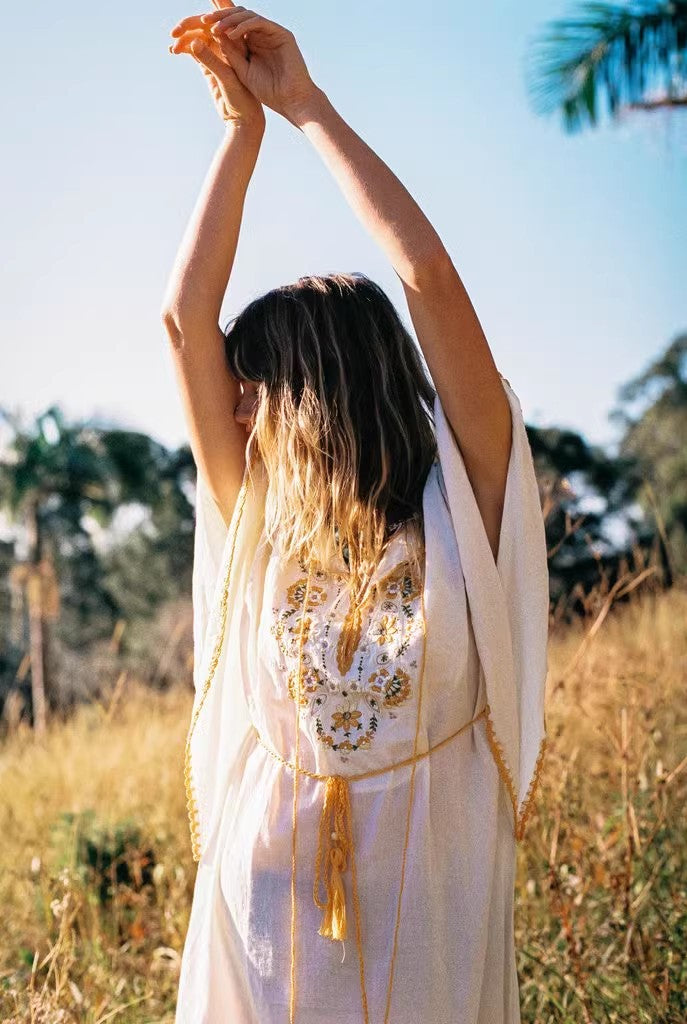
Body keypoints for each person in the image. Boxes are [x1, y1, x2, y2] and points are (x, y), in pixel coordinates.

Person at [161, 5, 550, 1023]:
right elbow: (181, 320)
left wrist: (304, 108)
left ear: (316, 388)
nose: (232, 408)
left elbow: (427, 278)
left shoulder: (467, 498)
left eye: (255, 387)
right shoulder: (261, 521)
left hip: (431, 938)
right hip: (265, 945)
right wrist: (239, 139)